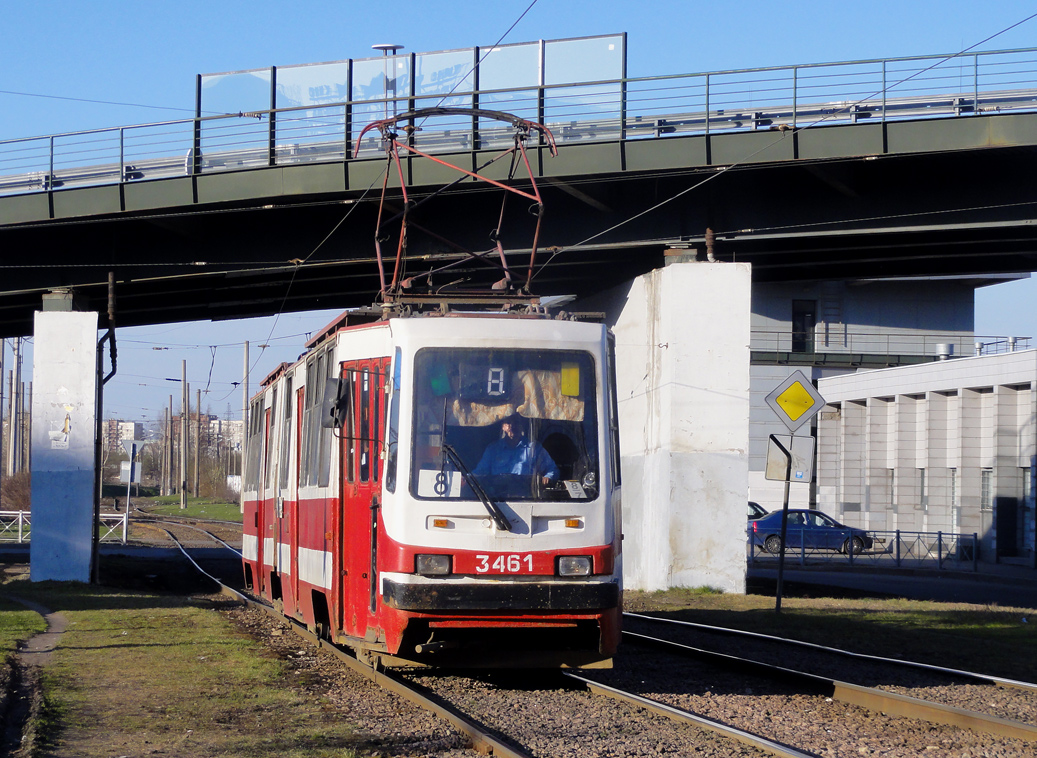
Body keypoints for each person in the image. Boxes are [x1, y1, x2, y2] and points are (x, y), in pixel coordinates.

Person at [473, 414, 559, 486]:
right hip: (497, 498)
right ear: (503, 426)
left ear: (522, 426)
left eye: (516, 422)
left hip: (527, 499)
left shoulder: (534, 448)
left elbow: (552, 469)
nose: (512, 426)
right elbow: (480, 472)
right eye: (508, 422)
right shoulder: (492, 449)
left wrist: (547, 477)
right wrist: (467, 479)